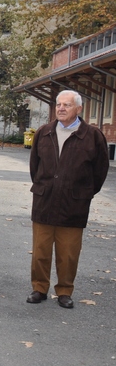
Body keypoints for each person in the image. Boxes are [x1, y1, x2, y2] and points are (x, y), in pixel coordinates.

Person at [27, 90, 109, 309]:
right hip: (44, 202)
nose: (61, 108)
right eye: (59, 104)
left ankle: (64, 290)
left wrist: (84, 193)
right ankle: (39, 288)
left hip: (73, 205)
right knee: (41, 252)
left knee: (68, 254)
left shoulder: (92, 135)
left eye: (67, 105)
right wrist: (46, 186)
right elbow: (35, 167)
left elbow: (100, 171)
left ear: (79, 109)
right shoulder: (44, 132)